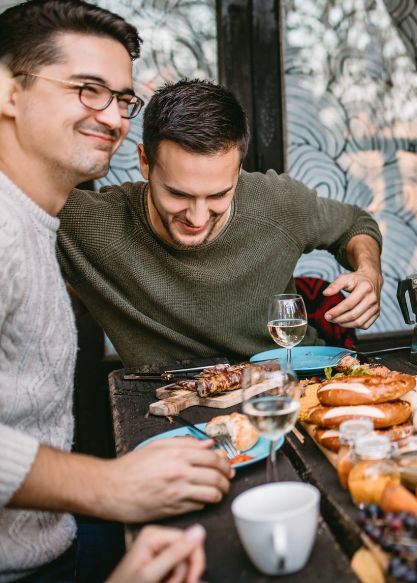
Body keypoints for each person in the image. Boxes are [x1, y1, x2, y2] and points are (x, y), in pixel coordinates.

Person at [0, 2, 225, 580]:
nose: (114, 118)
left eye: (122, 99)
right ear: (7, 91)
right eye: (86, 89)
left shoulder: (33, 221)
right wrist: (110, 484)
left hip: (54, 541)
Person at [56, 79, 384, 368]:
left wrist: (369, 273)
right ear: (145, 162)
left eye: (218, 195)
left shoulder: (277, 201)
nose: (197, 218)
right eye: (177, 194)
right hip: (178, 412)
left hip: (298, 384)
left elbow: (354, 224)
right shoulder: (90, 222)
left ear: (238, 170)